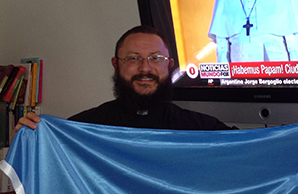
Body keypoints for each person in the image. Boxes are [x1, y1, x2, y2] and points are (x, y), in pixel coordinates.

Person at [12, 26, 236, 140]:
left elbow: (255, 151)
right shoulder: (83, 130)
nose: (145, 68)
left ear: (170, 65)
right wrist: (24, 140)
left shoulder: (202, 129)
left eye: (156, 58)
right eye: (133, 58)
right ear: (116, 64)